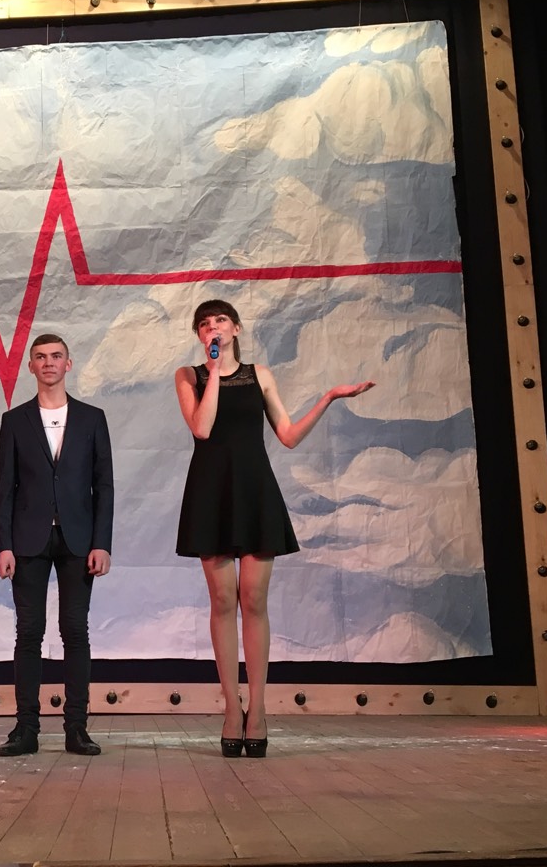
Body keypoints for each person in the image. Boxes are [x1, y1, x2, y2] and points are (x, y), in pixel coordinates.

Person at [174, 299, 373, 759]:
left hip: (254, 490)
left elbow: (288, 435)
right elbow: (202, 428)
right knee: (222, 600)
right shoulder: (190, 376)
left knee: (253, 599)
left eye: (220, 321)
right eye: (204, 324)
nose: (212, 327)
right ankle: (232, 709)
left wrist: (328, 398)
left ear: (237, 328)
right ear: (199, 335)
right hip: (211, 493)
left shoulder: (260, 374)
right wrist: (215, 371)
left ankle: (258, 710)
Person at [0, 333, 114, 757]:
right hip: (27, 539)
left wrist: (102, 543)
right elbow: (5, 490)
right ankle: (26, 728)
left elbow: (104, 486)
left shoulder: (92, 418)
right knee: (29, 632)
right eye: (41, 357)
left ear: (69, 364)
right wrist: (4, 546)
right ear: (30, 366)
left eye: (56, 356)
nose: (48, 363)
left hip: (78, 539)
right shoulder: (14, 420)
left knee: (75, 630)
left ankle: (76, 727)